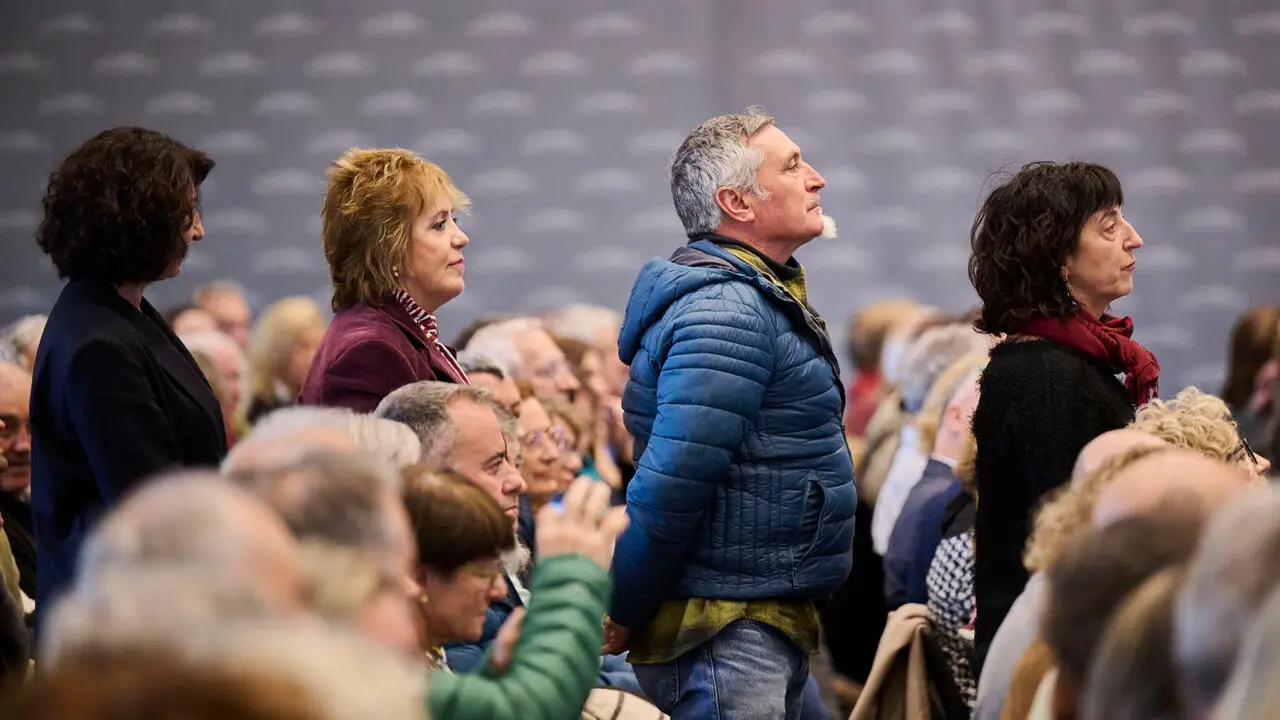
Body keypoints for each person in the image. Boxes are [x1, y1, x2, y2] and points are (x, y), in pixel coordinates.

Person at [606, 107, 854, 719]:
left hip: (754, 615)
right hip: (725, 629)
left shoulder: (751, 298)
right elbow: (672, 482)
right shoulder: (727, 313)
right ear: (736, 202)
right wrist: (623, 605)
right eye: (793, 166)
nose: (816, 178)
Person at [28, 127, 227, 623]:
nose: (197, 231)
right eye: (187, 214)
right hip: (127, 619)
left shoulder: (117, 314)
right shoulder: (99, 342)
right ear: (142, 221)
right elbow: (151, 504)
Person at [966, 161, 1157, 671]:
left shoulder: (1063, 361)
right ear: (1058, 255)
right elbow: (1068, 536)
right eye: (1110, 225)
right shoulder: (1046, 374)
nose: (1134, 239)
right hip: (1050, 655)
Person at [300, 149, 471, 413]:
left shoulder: (399, 334)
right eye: (439, 225)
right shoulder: (370, 351)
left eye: (454, 220)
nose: (461, 238)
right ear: (388, 247)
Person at [240, 296, 328, 426]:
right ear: (278, 350)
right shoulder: (258, 408)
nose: (312, 357)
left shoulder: (326, 402)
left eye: (318, 346)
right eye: (303, 347)